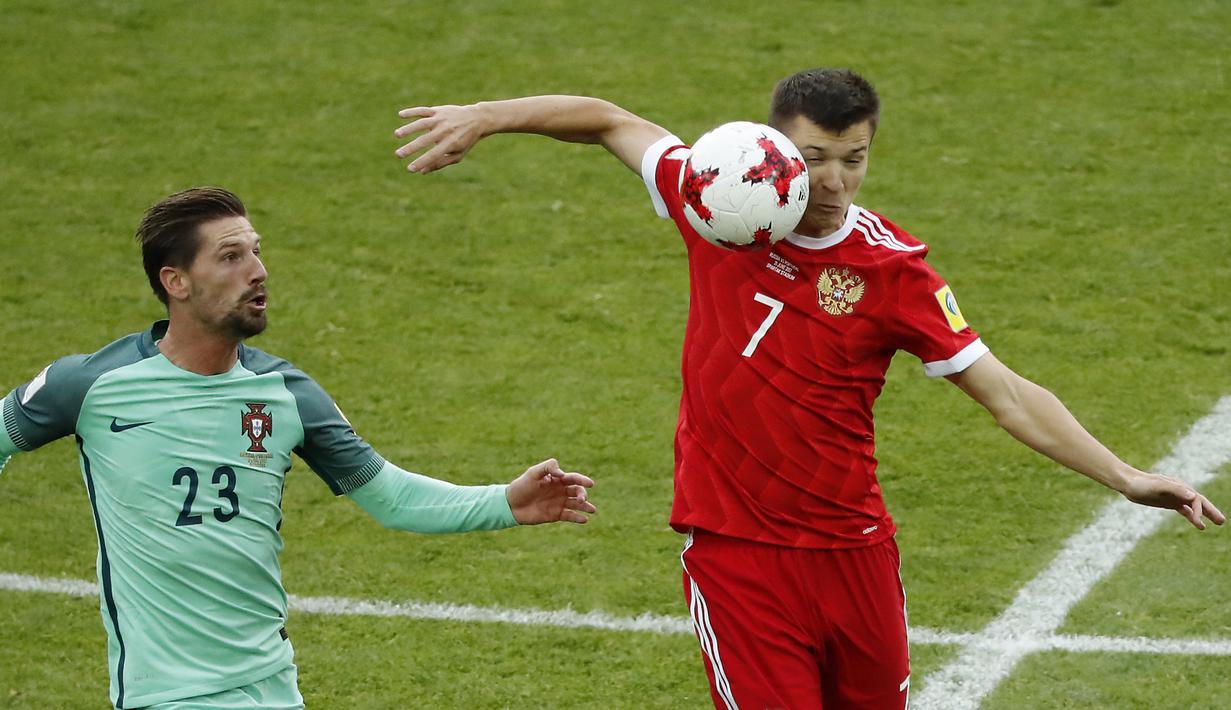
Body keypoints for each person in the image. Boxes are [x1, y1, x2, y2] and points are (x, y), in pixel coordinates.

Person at [392, 68, 1223, 710]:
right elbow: (610, 120)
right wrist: (487, 116)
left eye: (852, 159)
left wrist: (1124, 476)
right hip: (737, 554)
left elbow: (1004, 393)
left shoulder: (892, 271)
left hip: (855, 554)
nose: (832, 181)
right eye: (814, 159)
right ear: (774, 149)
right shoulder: (719, 203)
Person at [0, 187, 596, 709]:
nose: (257, 271)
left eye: (256, 251)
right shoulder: (92, 385)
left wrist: (506, 502)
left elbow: (388, 496)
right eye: (231, 257)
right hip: (168, 695)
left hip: (272, 688)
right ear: (175, 281)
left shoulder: (286, 394)